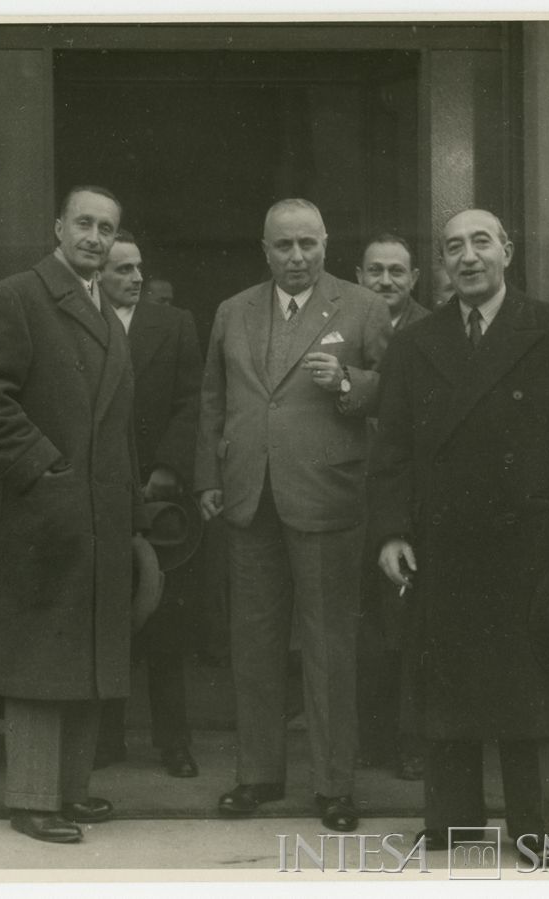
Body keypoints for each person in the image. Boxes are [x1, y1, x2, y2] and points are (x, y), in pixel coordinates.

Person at [368, 208, 549, 858]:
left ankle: (531, 830)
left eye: (481, 242)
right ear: (442, 264)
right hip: (441, 544)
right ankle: (452, 824)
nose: (468, 257)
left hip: (527, 544)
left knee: (527, 695)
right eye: (453, 247)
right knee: (447, 689)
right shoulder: (416, 341)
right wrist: (390, 532)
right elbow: (390, 449)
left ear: (508, 249)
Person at [0, 186, 147, 844]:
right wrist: (46, 468)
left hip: (100, 512)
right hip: (44, 507)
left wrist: (135, 512)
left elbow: (120, 426)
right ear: (57, 227)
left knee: (87, 649)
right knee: (40, 653)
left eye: (107, 227)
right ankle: (33, 798)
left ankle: (70, 789)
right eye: (84, 224)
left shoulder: (104, 302)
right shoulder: (18, 297)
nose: (95, 236)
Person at [195, 198, 392, 833]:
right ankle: (258, 774)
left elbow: (396, 389)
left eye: (308, 243)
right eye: (284, 246)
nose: (297, 256)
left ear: (327, 243)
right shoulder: (234, 310)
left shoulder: (362, 306)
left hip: (327, 496)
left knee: (330, 644)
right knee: (252, 643)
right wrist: (209, 477)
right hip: (250, 497)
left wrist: (346, 383)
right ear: (265, 249)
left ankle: (334, 786)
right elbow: (212, 401)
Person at [95, 230, 204, 778]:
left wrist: (168, 468)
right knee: (107, 621)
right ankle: (106, 738)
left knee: (165, 625)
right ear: (97, 274)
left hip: (159, 497)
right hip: (98, 494)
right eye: (122, 270)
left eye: (138, 267)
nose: (136, 278)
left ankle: (174, 741)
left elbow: (193, 401)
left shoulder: (174, 324)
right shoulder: (81, 321)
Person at [353, 233, 428, 780]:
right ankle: (370, 740)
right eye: (375, 271)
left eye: (397, 272)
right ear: (359, 277)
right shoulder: (345, 323)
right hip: (351, 494)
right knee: (366, 628)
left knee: (410, 624)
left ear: (415, 277)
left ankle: (414, 741)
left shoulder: (435, 329)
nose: (386, 282)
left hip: (416, 498)